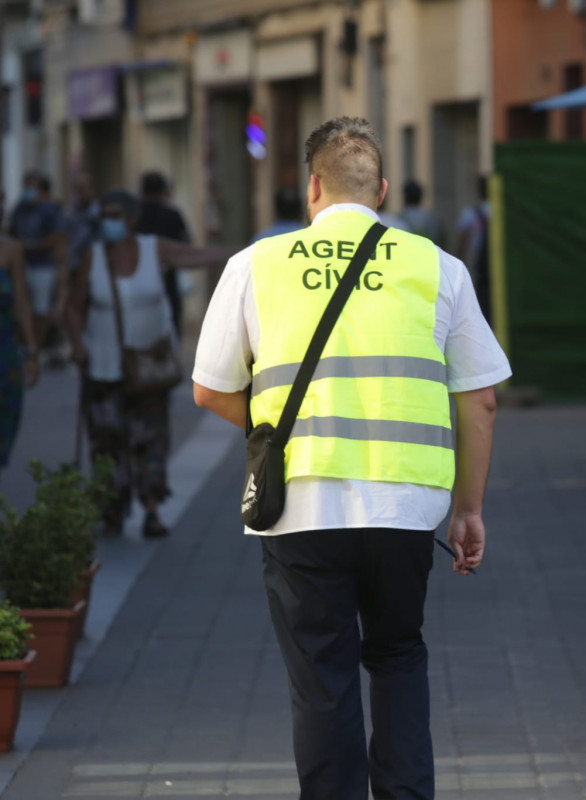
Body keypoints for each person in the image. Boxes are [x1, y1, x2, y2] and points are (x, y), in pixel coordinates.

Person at [192, 116, 510, 800]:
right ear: (382, 191)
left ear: (312, 188)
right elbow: (480, 400)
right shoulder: (437, 267)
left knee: (321, 678)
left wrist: (276, 430)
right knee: (397, 658)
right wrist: (470, 510)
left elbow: (209, 389)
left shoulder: (255, 265)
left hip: (300, 507)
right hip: (404, 508)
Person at [66, 190, 235, 539]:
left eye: (114, 214)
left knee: (151, 439)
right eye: (104, 215)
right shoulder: (93, 258)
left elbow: (194, 256)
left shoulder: (151, 248)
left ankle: (152, 510)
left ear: (130, 219)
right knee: (107, 440)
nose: (108, 221)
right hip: (103, 365)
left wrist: (244, 255)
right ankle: (112, 508)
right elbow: (73, 306)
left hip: (149, 366)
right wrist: (78, 344)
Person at [7, 171, 67, 355]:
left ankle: (37, 348)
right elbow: (11, 233)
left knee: (41, 309)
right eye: (26, 186)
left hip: (43, 266)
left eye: (32, 186)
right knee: (21, 305)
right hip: (23, 265)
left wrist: (36, 245)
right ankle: (26, 343)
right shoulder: (19, 209)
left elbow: (58, 237)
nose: (28, 190)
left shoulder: (48, 210)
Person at [0, 230, 41, 475]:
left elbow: (21, 302)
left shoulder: (12, 249)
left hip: (4, 352)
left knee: (6, 422)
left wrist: (32, 351)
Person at [136, 171, 191, 334]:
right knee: (170, 320)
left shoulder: (136, 215)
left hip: (139, 276)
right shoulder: (172, 214)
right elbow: (185, 244)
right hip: (167, 278)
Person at [454, 176, 491, 321]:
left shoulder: (471, 213)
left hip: (478, 265)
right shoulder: (501, 211)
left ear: (479, 191)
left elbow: (462, 241)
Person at [397, 179, 443, 246]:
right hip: (430, 253)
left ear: (406, 197)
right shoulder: (431, 217)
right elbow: (441, 238)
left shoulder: (401, 217)